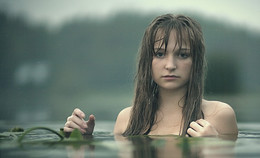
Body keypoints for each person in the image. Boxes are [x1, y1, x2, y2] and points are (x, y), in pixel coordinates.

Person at [63, 14, 238, 139]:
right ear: (147, 61)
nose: (170, 65)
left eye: (183, 55)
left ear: (196, 62)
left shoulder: (219, 116)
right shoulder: (127, 119)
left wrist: (215, 146)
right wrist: (83, 140)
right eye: (160, 54)